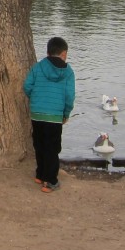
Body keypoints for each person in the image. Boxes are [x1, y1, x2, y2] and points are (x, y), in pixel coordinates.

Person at [23, 36, 76, 193]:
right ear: (64, 54)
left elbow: (27, 86)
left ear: (48, 52)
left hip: (37, 114)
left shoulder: (38, 67)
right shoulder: (68, 72)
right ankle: (51, 181)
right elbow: (69, 96)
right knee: (52, 148)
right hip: (54, 116)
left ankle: (40, 174)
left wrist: (36, 99)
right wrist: (66, 113)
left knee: (39, 145)